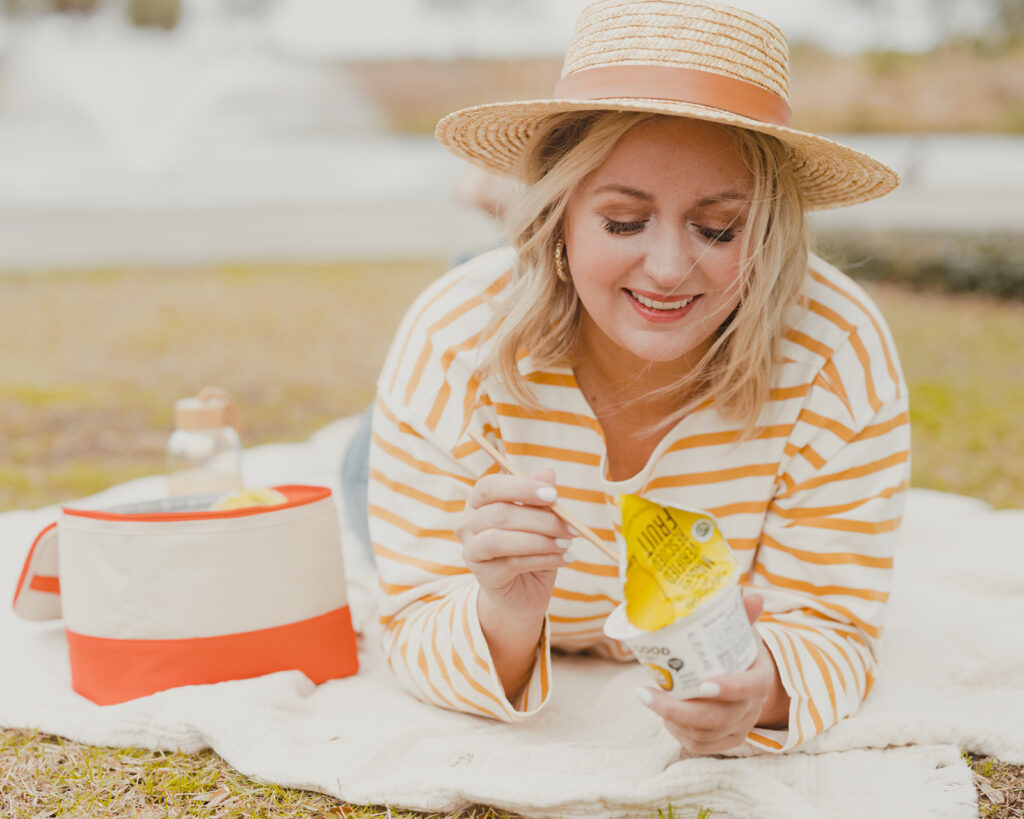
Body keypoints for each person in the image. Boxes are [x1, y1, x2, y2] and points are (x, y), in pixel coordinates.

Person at [365, 0, 910, 755]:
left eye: (719, 228)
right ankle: (501, 225)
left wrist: (759, 689)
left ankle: (516, 212)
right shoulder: (453, 338)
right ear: (560, 216)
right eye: (623, 221)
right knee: (361, 462)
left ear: (774, 225)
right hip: (484, 354)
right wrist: (505, 612)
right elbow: (416, 621)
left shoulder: (838, 350)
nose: (667, 270)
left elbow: (831, 629)